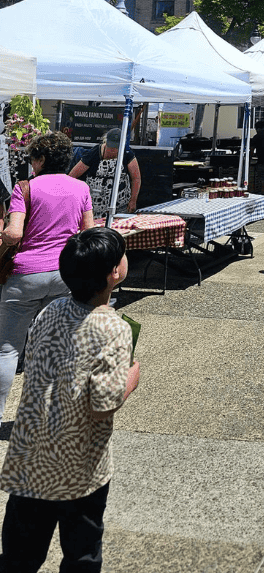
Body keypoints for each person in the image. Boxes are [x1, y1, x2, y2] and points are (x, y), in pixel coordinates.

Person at [0, 227, 140, 572]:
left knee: (19, 555)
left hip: (30, 455)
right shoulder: (114, 327)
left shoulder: (50, 311)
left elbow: (33, 360)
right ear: (114, 274)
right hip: (78, 465)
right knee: (81, 554)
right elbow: (103, 402)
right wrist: (131, 378)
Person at [0, 132, 94, 418]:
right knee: (53, 348)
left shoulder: (25, 188)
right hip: (63, 275)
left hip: (25, 277)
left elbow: (15, 232)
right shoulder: (81, 189)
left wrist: (4, 237)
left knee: (7, 350)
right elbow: (88, 235)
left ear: (40, 160)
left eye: (32, 158)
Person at [69, 127, 142, 219]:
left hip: (120, 206)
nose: (113, 150)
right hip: (95, 207)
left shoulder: (128, 154)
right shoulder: (94, 153)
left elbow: (136, 178)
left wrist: (133, 200)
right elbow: (73, 175)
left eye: (116, 148)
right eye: (110, 147)